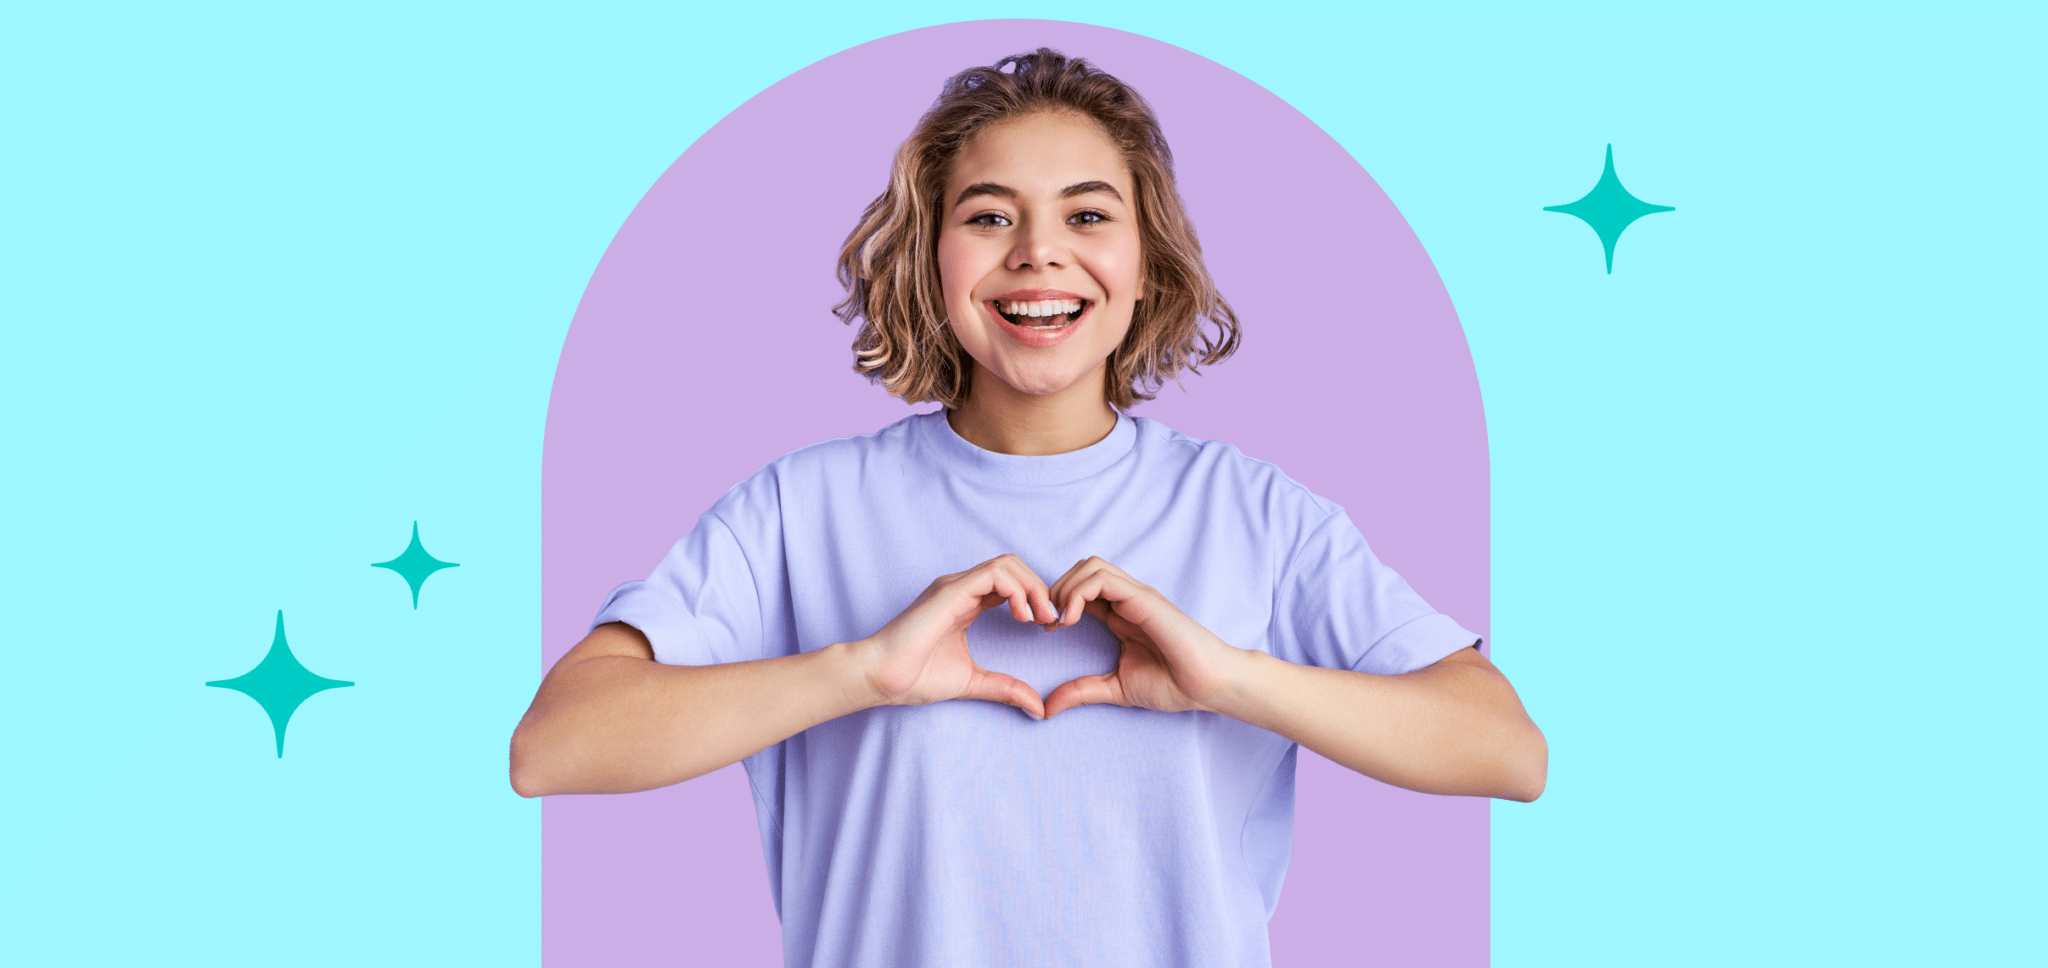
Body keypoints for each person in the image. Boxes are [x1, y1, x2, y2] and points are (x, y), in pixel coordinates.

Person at [511, 48, 1545, 968]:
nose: (1036, 252)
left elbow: (1503, 747)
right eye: (988, 215)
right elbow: (552, 744)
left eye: (1087, 215)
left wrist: (1229, 677)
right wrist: (858, 670)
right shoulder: (797, 508)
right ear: (932, 259)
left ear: (1145, 267)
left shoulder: (1256, 513)